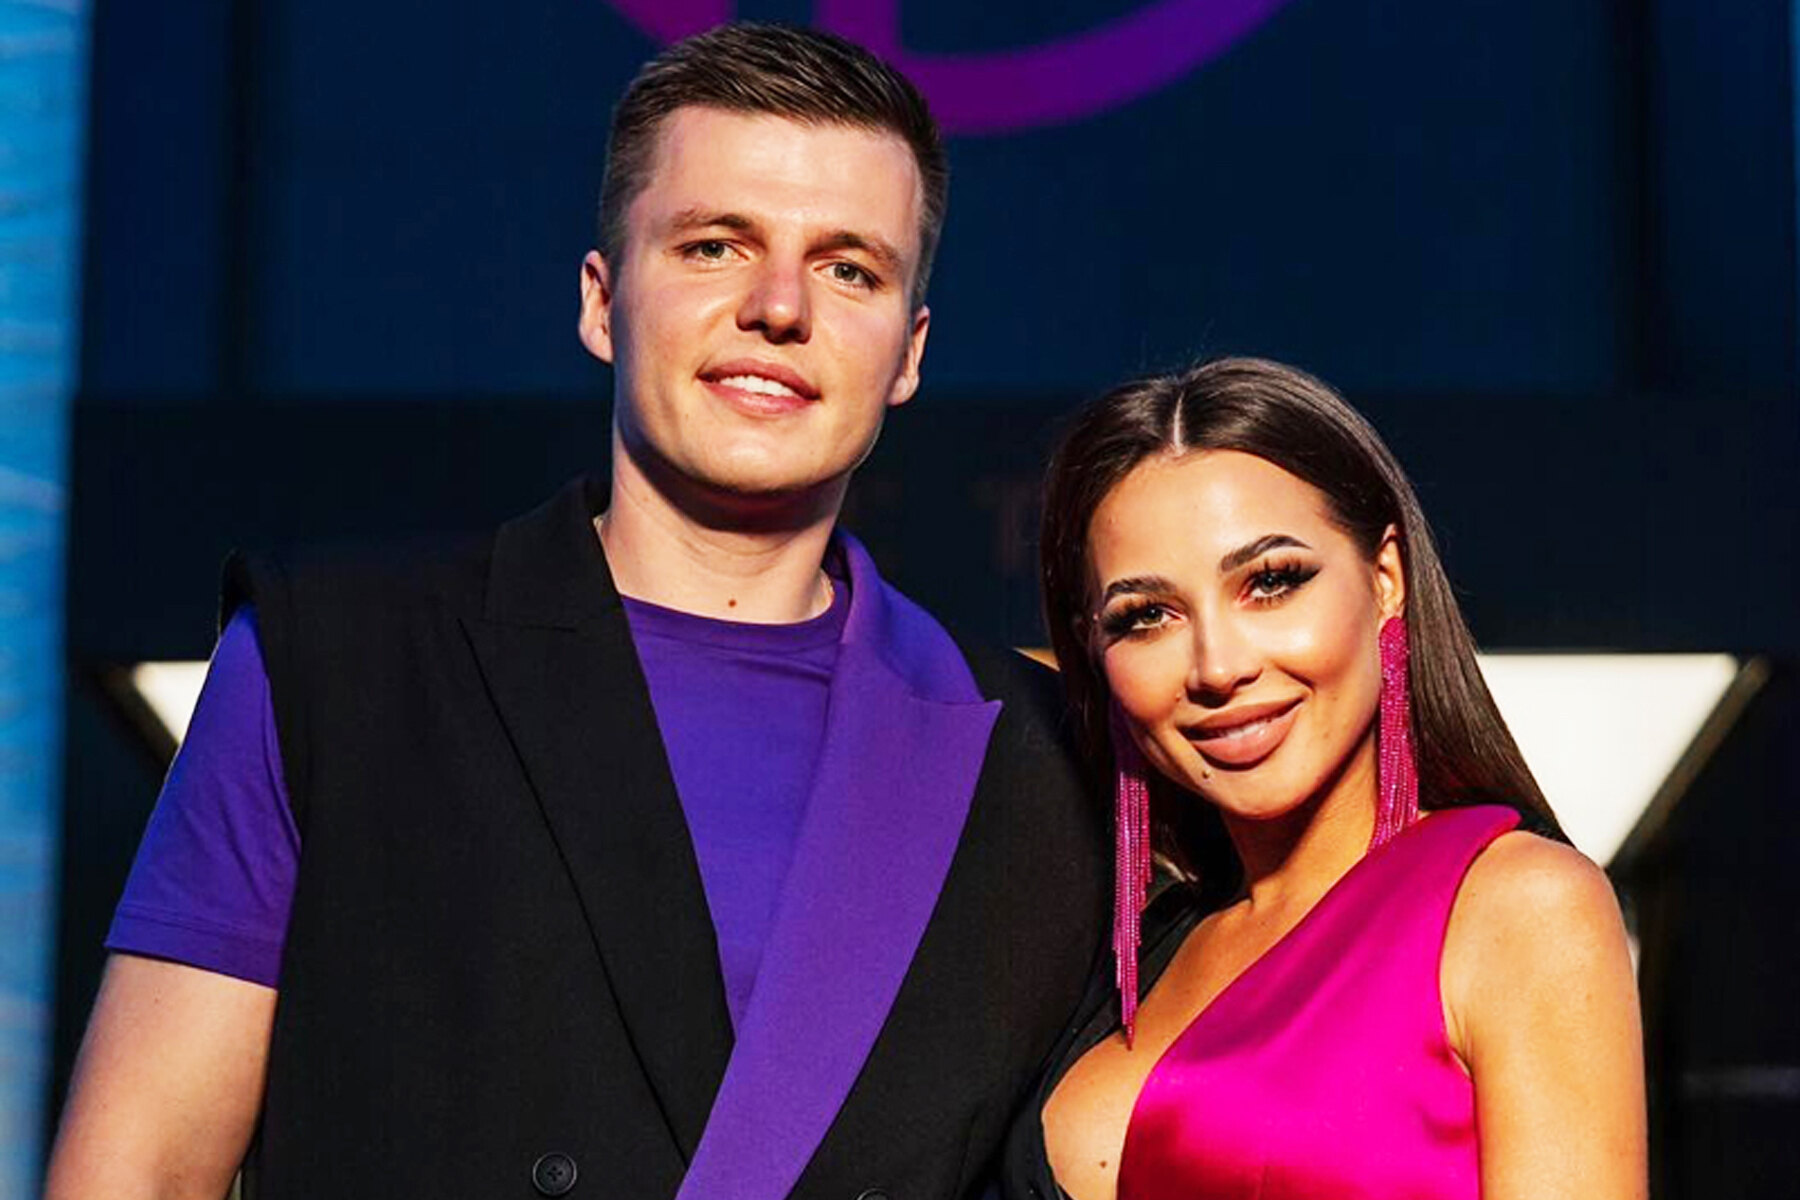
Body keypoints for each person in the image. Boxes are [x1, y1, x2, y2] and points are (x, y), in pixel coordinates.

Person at [46, 24, 1105, 1199]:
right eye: (714, 246)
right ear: (603, 301)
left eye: (850, 268)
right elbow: (136, 1173)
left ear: (908, 351)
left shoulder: (1045, 759)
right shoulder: (334, 669)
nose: (779, 307)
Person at [1002, 358, 1646, 1200]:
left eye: (1271, 583)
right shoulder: (1126, 952)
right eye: (1147, 616)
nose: (1218, 666)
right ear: (1096, 650)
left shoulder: (1517, 906)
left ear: (1386, 579)